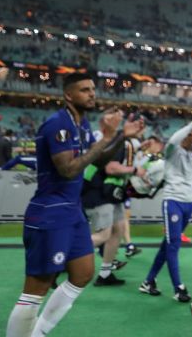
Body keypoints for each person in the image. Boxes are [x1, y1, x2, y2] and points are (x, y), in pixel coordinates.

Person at [4, 73, 139, 337]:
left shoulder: (82, 125)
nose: (92, 93)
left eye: (92, 89)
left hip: (72, 211)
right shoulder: (58, 125)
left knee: (82, 273)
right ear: (68, 95)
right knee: (36, 289)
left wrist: (121, 136)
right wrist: (105, 138)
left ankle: (38, 333)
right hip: (50, 213)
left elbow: (97, 161)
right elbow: (67, 169)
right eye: (84, 90)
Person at [139, 109, 192, 303]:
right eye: (189, 135)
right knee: (174, 245)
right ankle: (178, 288)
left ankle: (148, 282)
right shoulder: (172, 151)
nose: (191, 138)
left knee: (168, 245)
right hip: (173, 202)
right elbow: (174, 139)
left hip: (188, 204)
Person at [82, 113, 147, 286]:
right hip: (99, 192)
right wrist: (134, 171)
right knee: (103, 235)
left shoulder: (120, 141)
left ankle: (105, 274)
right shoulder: (114, 142)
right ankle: (62, 258)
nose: (139, 127)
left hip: (110, 192)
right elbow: (111, 168)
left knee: (117, 230)